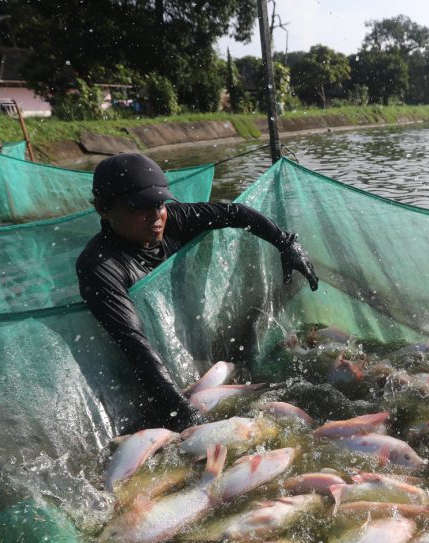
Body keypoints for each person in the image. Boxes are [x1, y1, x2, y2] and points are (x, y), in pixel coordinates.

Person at [77, 152, 319, 431]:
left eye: (159, 204)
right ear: (104, 209)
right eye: (140, 208)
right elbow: (133, 343)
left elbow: (234, 214)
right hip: (143, 374)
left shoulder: (174, 218)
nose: (156, 216)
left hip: (184, 348)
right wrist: (183, 414)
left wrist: (286, 243)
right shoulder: (99, 266)